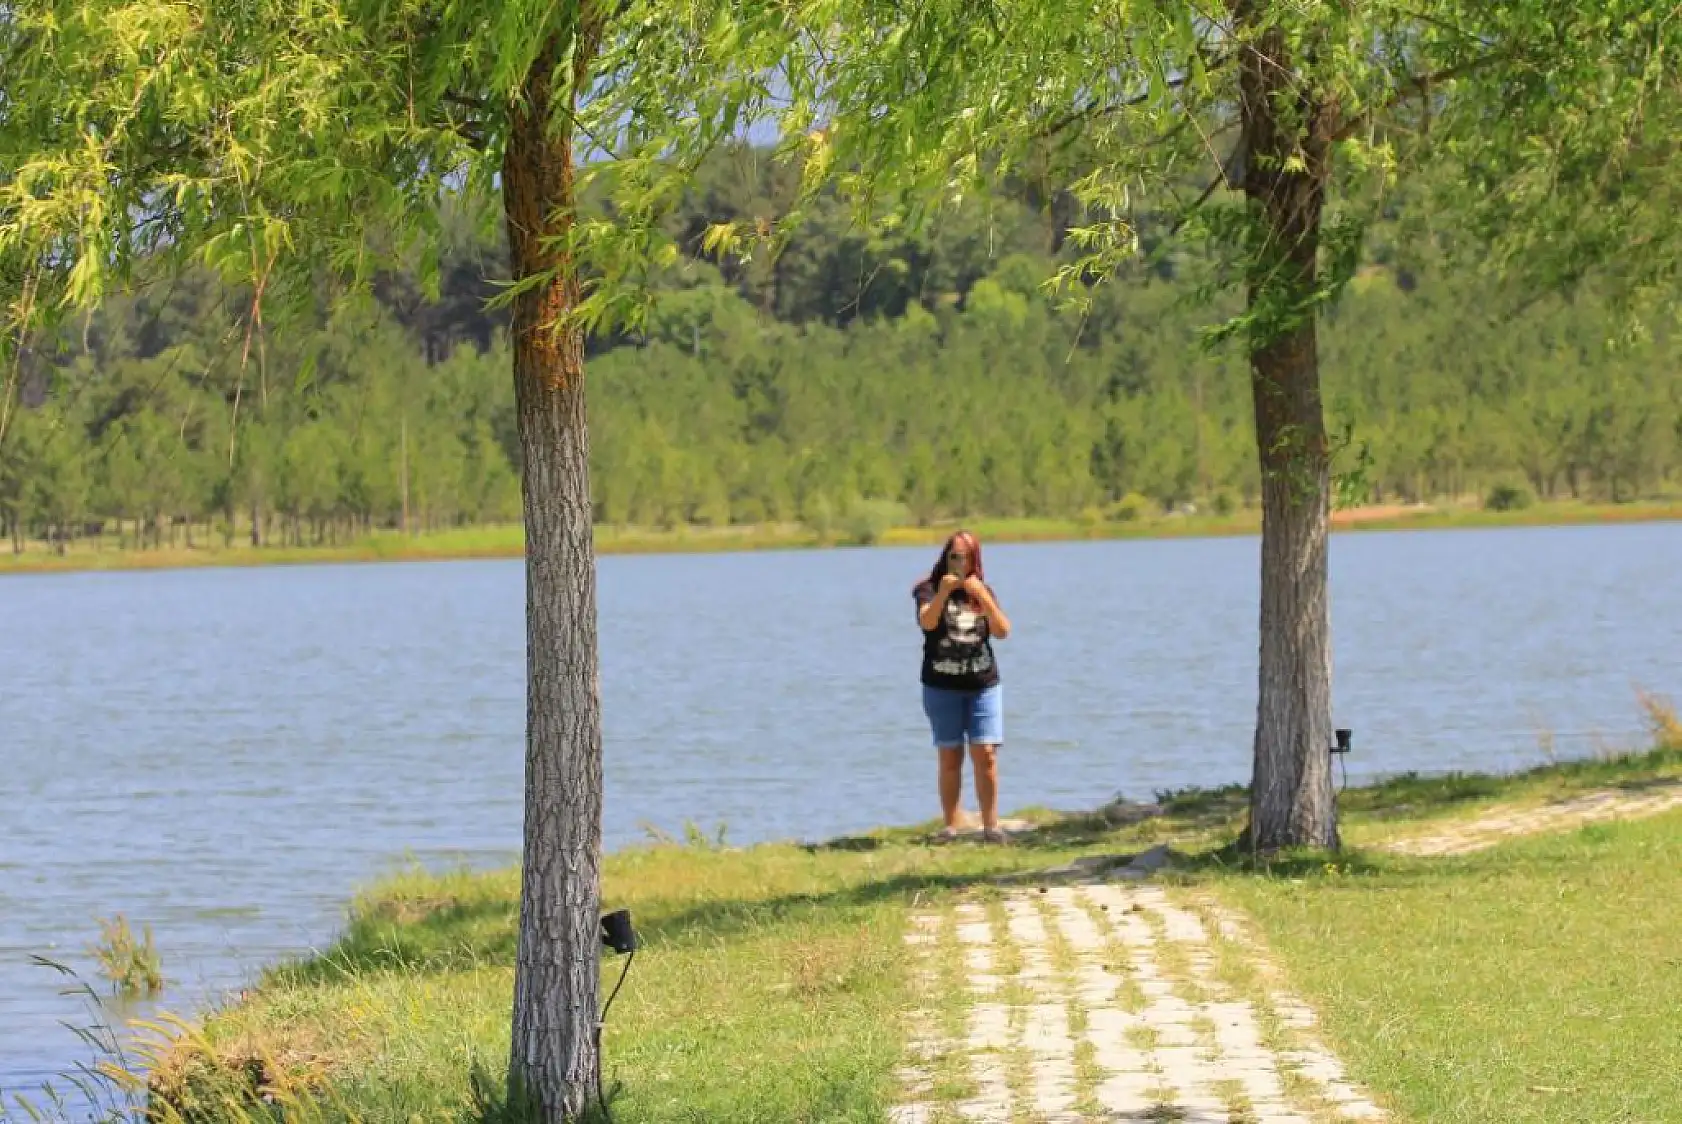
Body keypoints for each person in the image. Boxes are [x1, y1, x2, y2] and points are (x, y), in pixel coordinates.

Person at [912, 530, 1013, 843]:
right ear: (945, 557)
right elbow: (927, 623)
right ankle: (951, 824)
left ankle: (990, 826)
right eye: (954, 556)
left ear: (975, 559)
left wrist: (981, 596)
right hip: (941, 684)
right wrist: (942, 594)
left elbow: (1003, 631)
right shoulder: (927, 588)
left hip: (982, 683)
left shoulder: (983, 591)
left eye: (965, 556)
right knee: (950, 755)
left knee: (985, 753)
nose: (959, 562)